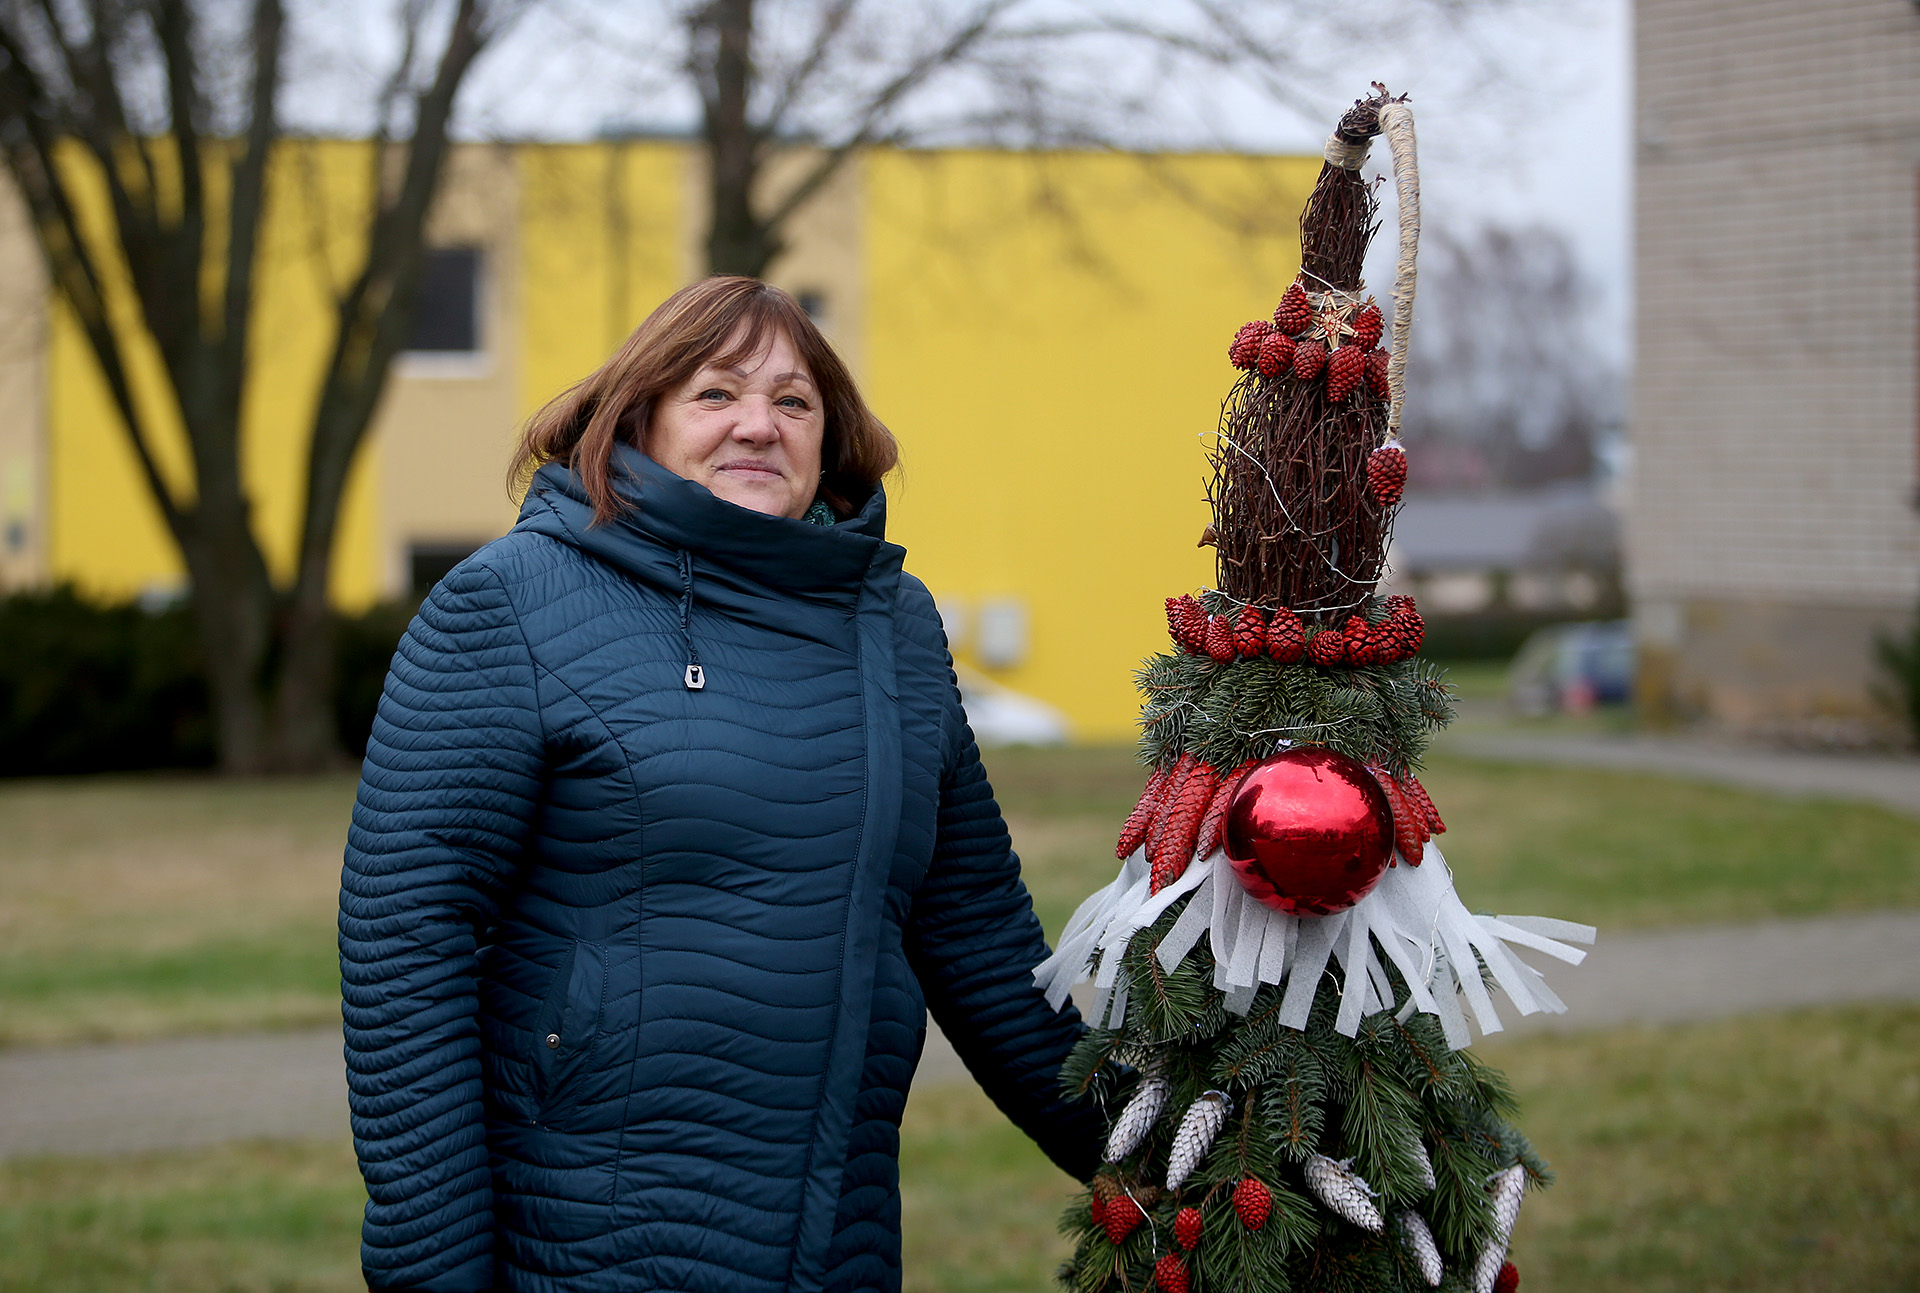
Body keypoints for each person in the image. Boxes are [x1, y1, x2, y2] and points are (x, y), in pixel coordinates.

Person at [339, 276, 1105, 1293]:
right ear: (641, 414)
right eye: (716, 394)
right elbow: (403, 945)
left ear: (829, 438)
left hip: (840, 1241)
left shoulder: (896, 628)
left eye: (794, 401)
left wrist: (1181, 1169)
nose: (758, 424)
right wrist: (432, 1271)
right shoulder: (511, 603)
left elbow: (977, 937)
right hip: (586, 1242)